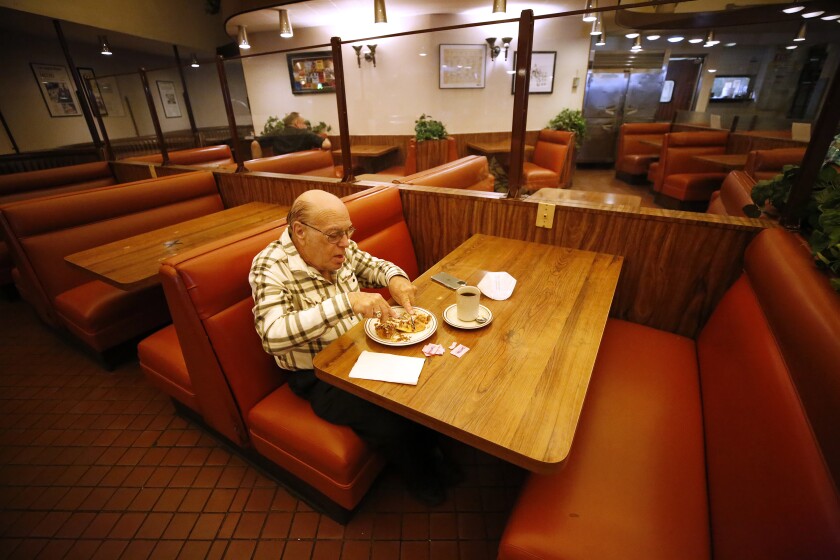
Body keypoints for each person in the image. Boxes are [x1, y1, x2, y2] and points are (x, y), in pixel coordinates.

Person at [248, 190, 459, 505]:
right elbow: (272, 335)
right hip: (318, 374)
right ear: (300, 231)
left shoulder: (341, 247)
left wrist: (395, 279)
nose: (345, 243)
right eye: (334, 235)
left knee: (421, 386)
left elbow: (374, 266)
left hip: (359, 349)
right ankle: (423, 478)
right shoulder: (270, 266)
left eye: (348, 232)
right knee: (390, 422)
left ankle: (435, 456)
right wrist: (345, 302)